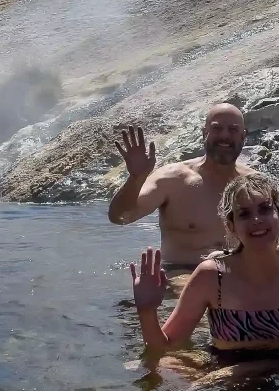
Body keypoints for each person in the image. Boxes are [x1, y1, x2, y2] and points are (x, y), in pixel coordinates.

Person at [129, 173, 279, 371]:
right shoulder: (211, 275)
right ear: (231, 226)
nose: (257, 220)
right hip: (227, 381)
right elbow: (165, 347)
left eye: (265, 209)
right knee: (165, 367)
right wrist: (146, 309)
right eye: (244, 214)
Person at [108, 103, 254, 278]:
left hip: (239, 280)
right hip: (181, 280)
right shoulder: (172, 179)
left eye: (233, 129)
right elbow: (121, 217)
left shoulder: (254, 184)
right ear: (204, 133)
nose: (224, 135)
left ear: (243, 135)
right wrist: (135, 179)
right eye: (217, 128)